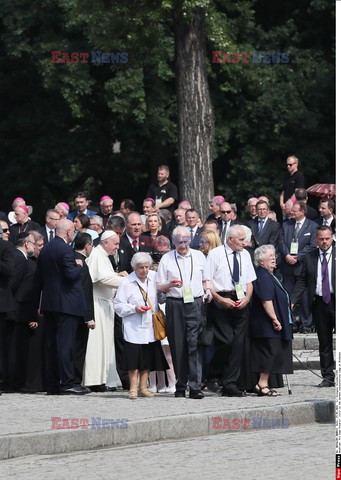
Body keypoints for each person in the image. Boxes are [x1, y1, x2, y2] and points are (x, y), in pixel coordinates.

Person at [34, 219, 90, 395]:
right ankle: (67, 382)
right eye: (73, 231)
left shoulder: (46, 250)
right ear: (67, 232)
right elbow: (70, 275)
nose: (74, 234)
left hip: (50, 304)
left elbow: (39, 279)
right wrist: (78, 266)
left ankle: (52, 384)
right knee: (65, 344)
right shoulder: (66, 250)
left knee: (51, 344)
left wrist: (40, 304)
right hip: (66, 304)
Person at [156, 226, 211, 399]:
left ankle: (195, 386)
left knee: (194, 344)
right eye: (179, 242)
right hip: (175, 304)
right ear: (174, 242)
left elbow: (206, 279)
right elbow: (159, 286)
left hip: (195, 302)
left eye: (186, 241)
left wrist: (207, 291)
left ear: (190, 240)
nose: (183, 245)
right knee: (177, 344)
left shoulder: (199, 256)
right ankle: (180, 384)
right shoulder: (167, 258)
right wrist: (171, 284)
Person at [205, 225, 256, 397]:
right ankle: (213, 373)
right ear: (230, 239)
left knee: (238, 343)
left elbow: (250, 281)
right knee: (226, 340)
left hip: (240, 300)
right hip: (221, 300)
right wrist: (220, 299)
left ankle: (230, 383)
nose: (244, 243)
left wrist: (247, 298)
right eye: (241, 240)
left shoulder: (245, 255)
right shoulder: (215, 254)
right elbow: (207, 282)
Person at [114, 252, 169, 400]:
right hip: (134, 325)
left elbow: (161, 293)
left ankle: (143, 387)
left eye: (146, 267)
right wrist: (134, 308)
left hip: (151, 324)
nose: (144, 270)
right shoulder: (126, 282)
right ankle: (133, 388)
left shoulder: (154, 277)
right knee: (133, 359)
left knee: (147, 357)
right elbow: (118, 305)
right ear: (134, 268)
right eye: (140, 268)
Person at [291, 226, 335, 387]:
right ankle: (328, 376)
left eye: (327, 239)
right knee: (324, 342)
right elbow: (302, 280)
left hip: (336, 301)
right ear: (316, 239)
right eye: (321, 239)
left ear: (332, 238)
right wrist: (293, 300)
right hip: (319, 303)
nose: (324, 242)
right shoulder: (310, 257)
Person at [250, 245, 293, 396]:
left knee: (272, 352)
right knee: (270, 352)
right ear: (261, 261)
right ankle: (262, 384)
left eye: (274, 255)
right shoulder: (262, 276)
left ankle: (263, 383)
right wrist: (275, 319)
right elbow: (266, 300)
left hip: (270, 323)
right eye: (270, 256)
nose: (274, 258)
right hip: (266, 324)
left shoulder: (271, 275)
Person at [82, 231, 123, 391]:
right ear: (106, 243)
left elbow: (107, 275)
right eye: (115, 244)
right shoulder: (97, 255)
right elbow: (100, 278)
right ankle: (94, 380)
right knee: (96, 344)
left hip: (106, 304)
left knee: (106, 344)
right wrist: (126, 281)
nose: (117, 248)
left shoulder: (104, 256)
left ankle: (105, 378)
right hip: (96, 304)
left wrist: (117, 275)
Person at [279, 201, 317, 333]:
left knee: (305, 298)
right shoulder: (286, 225)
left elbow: (312, 245)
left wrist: (298, 257)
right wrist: (287, 256)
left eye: (294, 211)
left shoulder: (313, 226)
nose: (292, 212)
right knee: (288, 296)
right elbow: (281, 242)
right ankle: (292, 322)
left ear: (302, 212)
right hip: (288, 267)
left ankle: (306, 324)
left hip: (302, 267)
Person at [73, 233, 96, 387]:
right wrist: (89, 317)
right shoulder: (80, 262)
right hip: (79, 313)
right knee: (78, 348)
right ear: (87, 245)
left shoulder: (73, 258)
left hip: (73, 311)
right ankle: (74, 380)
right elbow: (83, 291)